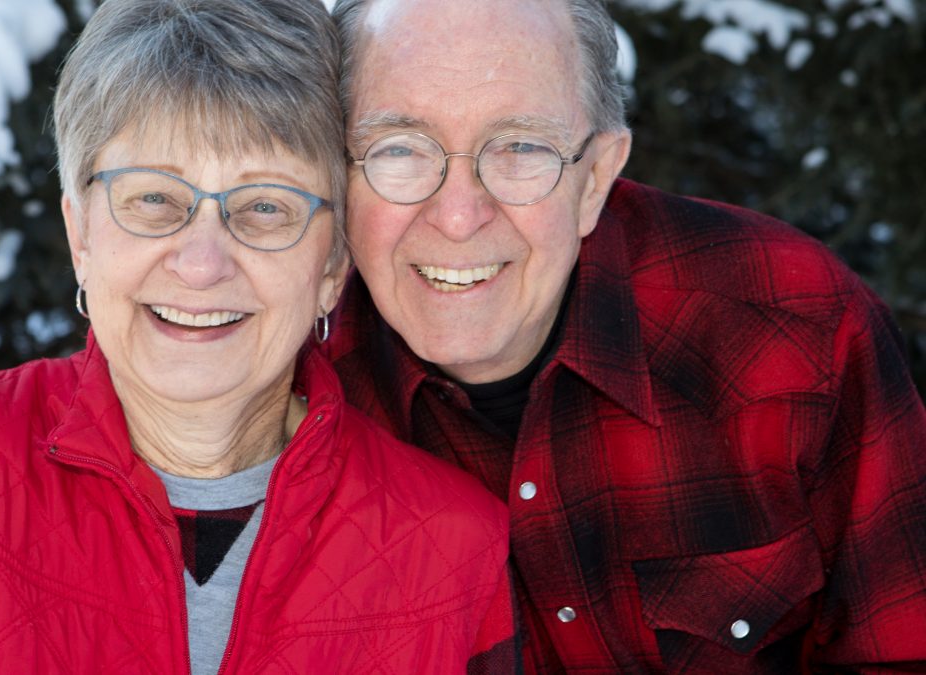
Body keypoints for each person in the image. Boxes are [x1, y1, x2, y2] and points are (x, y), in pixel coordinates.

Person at [0, 0, 519, 672]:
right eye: (154, 199)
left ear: (333, 265)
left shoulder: (457, 547)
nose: (202, 263)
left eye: (264, 207)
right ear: (81, 234)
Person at [323, 0, 926, 672]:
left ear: (595, 177)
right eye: (398, 148)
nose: (459, 215)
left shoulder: (795, 328)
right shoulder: (280, 393)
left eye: (521, 147)